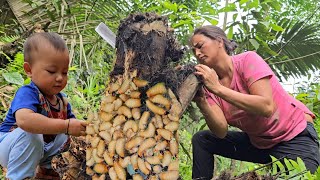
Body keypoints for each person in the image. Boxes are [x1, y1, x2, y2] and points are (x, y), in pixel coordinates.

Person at [190, 25, 320, 179]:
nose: (197, 53)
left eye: (200, 46)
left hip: (294, 137)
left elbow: (266, 107)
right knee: (202, 139)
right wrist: (202, 102)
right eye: (194, 51)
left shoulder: (247, 60)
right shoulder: (210, 85)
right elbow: (221, 131)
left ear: (219, 41)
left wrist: (218, 88)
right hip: (260, 143)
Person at [0, 32, 87, 179]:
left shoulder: (62, 102)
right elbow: (24, 121)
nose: (60, 78)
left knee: (66, 138)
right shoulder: (28, 93)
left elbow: (72, 128)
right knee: (31, 134)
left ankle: (46, 172)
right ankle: (18, 176)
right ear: (29, 70)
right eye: (52, 71)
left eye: (64, 72)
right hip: (10, 147)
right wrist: (66, 125)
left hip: (40, 150)